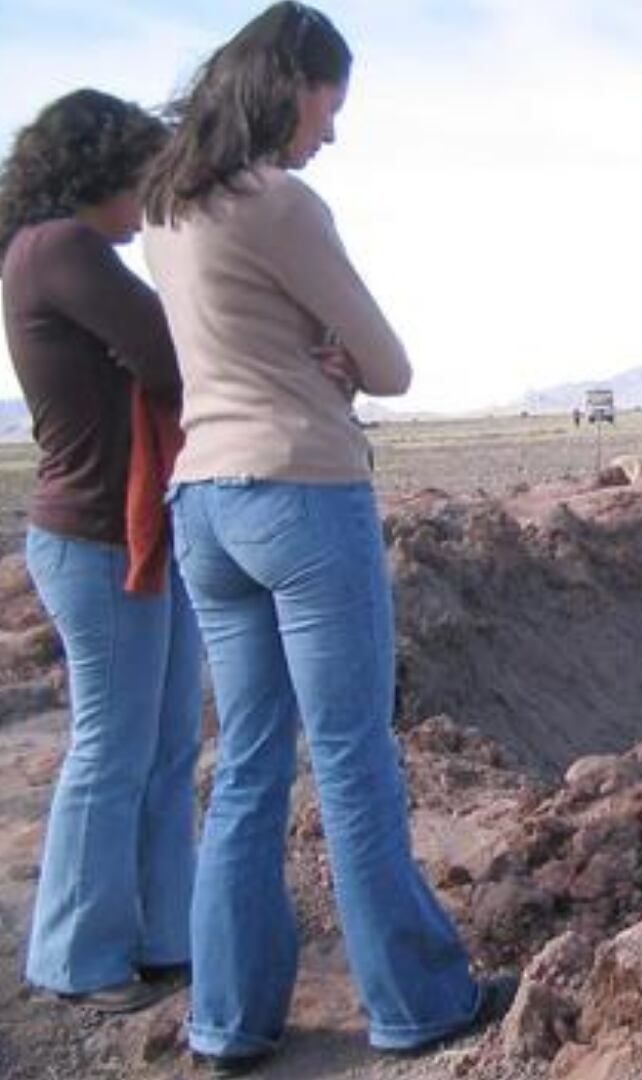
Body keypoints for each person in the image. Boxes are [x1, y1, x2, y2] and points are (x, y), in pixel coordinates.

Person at [140, 3, 512, 1070]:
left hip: (202, 501)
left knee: (248, 764)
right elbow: (389, 365)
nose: (330, 132)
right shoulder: (280, 202)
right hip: (299, 491)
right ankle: (415, 1003)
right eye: (328, 105)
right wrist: (340, 361)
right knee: (352, 761)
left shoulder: (169, 206)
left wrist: (312, 348)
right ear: (286, 83)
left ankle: (228, 1020)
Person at [0, 89, 200, 1016]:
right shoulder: (61, 249)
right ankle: (79, 953)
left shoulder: (47, 252)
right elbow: (171, 354)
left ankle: (163, 935)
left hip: (125, 534)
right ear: (105, 171)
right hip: (93, 536)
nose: (152, 202)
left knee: (158, 746)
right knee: (114, 750)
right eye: (145, 181)